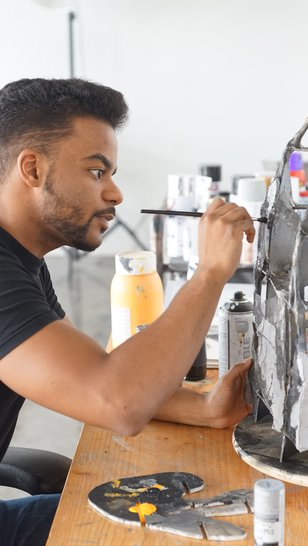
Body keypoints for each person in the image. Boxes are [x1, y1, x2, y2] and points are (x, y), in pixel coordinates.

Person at [0, 78, 254, 545]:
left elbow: (84, 375)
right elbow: (117, 402)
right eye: (98, 172)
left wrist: (203, 409)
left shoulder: (21, 262)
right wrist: (210, 274)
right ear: (32, 169)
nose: (115, 193)